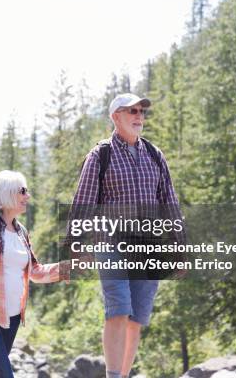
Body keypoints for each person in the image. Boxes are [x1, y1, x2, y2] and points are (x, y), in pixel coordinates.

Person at [72, 93, 183, 378]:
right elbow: (83, 202)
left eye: (142, 111)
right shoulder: (101, 155)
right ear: (115, 117)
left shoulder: (155, 155)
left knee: (136, 319)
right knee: (118, 309)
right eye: (131, 111)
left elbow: (169, 203)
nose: (139, 116)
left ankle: (123, 375)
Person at [0, 170, 69, 378]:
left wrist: (66, 268)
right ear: (5, 193)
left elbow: (35, 272)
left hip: (12, 317)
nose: (28, 196)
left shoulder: (21, 231)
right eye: (23, 191)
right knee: (2, 374)